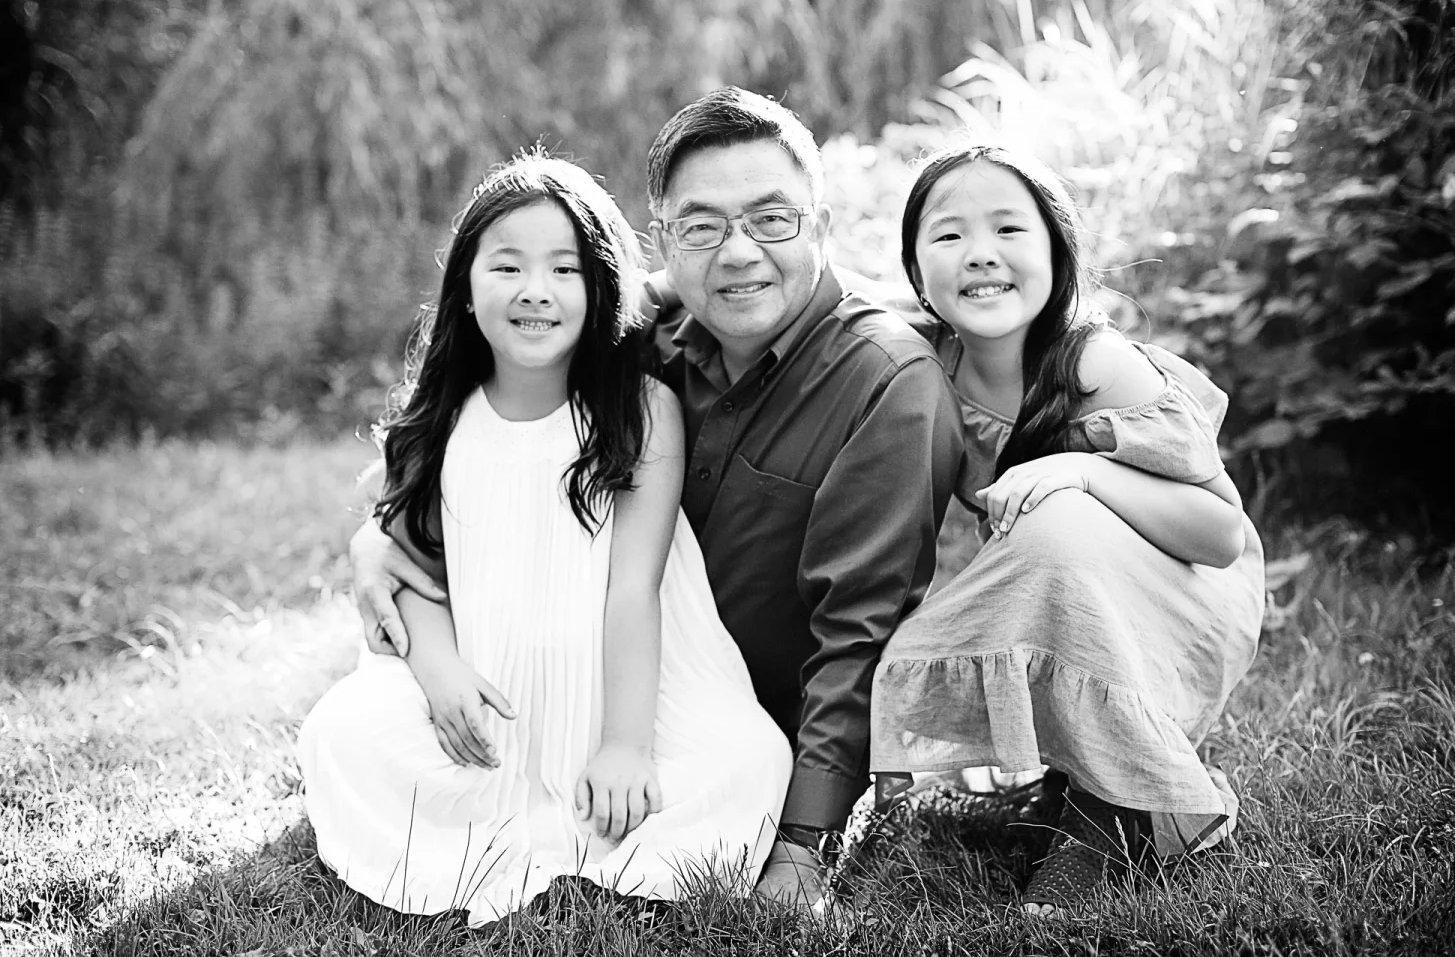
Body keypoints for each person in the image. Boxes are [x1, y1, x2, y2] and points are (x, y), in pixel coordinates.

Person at [347, 88, 965, 908]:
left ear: (819, 225)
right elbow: (472, 437)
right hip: (571, 672)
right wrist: (377, 537)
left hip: (726, 713)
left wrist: (802, 845)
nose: (738, 253)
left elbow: (857, 635)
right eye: (702, 227)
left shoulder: (888, 385)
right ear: (663, 241)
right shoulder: (644, 335)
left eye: (771, 220)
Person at [297, 154, 792, 925]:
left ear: (601, 289)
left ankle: (601, 801)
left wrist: (626, 743)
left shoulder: (640, 412)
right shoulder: (440, 417)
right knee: (344, 734)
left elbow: (634, 587)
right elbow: (417, 573)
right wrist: (440, 675)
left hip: (622, 686)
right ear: (465, 284)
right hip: (483, 681)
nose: (536, 289)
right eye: (508, 266)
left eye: (565, 268)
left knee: (747, 758)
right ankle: (502, 814)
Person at [870, 145, 1264, 914]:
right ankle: (1081, 772)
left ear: (1057, 251)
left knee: (1057, 522)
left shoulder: (1094, 365)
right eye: (948, 236)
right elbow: (824, 300)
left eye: (1009, 230)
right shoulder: (925, 361)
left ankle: (1112, 820)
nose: (981, 254)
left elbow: (1220, 534)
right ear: (917, 271)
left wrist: (1083, 471)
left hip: (1183, 591)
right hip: (1075, 583)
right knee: (1039, 549)